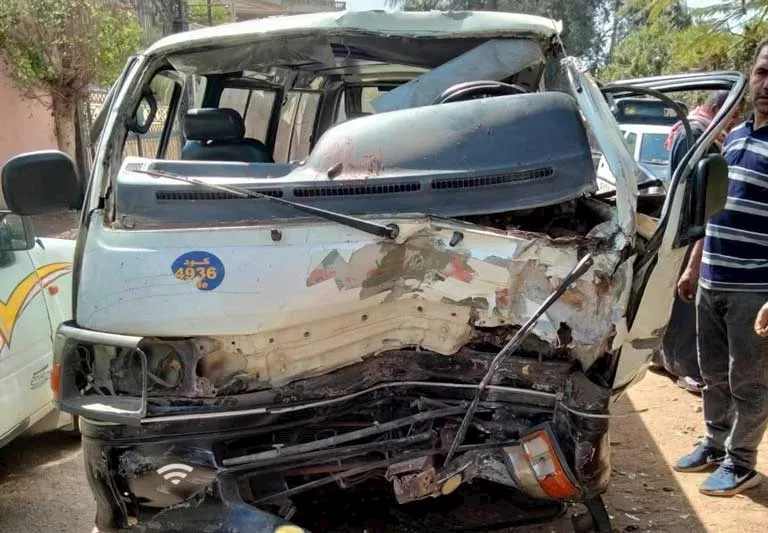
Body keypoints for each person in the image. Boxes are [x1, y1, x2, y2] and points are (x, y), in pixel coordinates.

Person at [674, 38, 768, 497]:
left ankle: (741, 461)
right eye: (763, 72)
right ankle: (714, 444)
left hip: (754, 288)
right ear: (750, 75)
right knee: (712, 373)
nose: (767, 85)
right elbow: (714, 210)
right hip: (713, 278)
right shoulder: (734, 136)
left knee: (749, 380)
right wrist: (693, 266)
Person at [656, 91, 734, 394]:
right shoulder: (699, 134)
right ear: (717, 109)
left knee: (674, 299)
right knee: (686, 301)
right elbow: (695, 187)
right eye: (732, 115)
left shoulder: (693, 129)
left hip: (684, 226)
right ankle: (685, 368)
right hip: (691, 228)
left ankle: (665, 358)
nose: (733, 122)